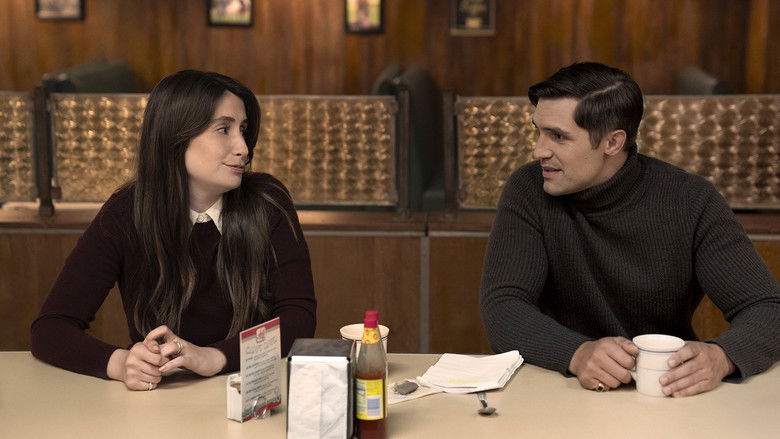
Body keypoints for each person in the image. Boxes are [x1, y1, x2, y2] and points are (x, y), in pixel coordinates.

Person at [480, 62, 780, 397]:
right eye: (538, 131)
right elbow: (504, 306)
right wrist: (576, 353)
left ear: (612, 142)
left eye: (558, 136)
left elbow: (767, 307)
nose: (539, 151)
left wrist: (723, 357)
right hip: (557, 387)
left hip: (663, 392)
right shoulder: (528, 188)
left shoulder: (690, 200)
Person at [31, 70, 317, 391]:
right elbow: (51, 328)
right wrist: (122, 364)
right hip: (160, 398)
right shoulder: (127, 211)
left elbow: (298, 317)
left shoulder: (267, 201)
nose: (243, 148)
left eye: (243, 130)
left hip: (249, 387)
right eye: (224, 129)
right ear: (176, 136)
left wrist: (214, 357)